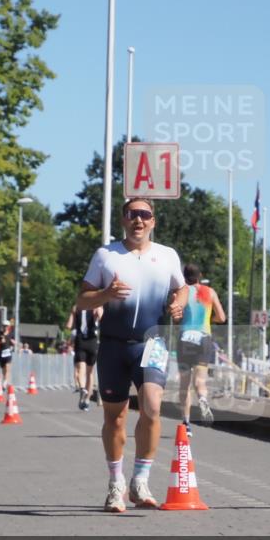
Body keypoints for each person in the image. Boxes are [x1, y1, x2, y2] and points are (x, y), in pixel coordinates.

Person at [77, 198, 187, 513]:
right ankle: (116, 485)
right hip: (113, 345)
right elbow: (82, 300)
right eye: (132, 214)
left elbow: (181, 288)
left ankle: (140, 480)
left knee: (152, 408)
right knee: (115, 417)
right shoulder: (106, 255)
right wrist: (106, 294)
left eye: (144, 215)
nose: (138, 220)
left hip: (152, 344)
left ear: (153, 221)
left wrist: (178, 303)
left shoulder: (167, 256)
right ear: (124, 220)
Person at [176, 263, 226, 435]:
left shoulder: (182, 292)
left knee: (185, 384)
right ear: (200, 275)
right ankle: (203, 399)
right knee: (200, 381)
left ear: (184, 276)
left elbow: (176, 316)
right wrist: (211, 319)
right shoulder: (210, 292)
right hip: (203, 337)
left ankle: (186, 423)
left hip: (185, 338)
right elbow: (222, 317)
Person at [65, 303, 103, 411]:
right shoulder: (96, 306)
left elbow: (68, 325)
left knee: (81, 369)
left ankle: (82, 389)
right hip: (92, 342)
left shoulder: (77, 307)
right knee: (90, 373)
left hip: (81, 341)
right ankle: (86, 400)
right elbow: (102, 319)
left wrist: (73, 313)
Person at [0, 322, 15, 386]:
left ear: (8, 327)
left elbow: (14, 342)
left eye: (6, 326)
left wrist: (13, 342)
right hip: (1, 353)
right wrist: (0, 341)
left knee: (7, 367)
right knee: (3, 368)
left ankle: (5, 381)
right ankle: (5, 379)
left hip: (8, 353)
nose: (5, 327)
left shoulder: (11, 334)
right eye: (4, 326)